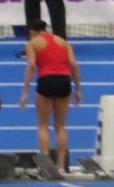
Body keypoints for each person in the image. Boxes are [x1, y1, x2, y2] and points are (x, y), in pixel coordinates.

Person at [18, 21, 82, 173]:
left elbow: (32, 65)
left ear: (33, 32)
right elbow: (73, 64)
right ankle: (60, 166)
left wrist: (25, 92)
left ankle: (46, 165)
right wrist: (77, 89)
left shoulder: (33, 43)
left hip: (46, 80)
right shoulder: (63, 42)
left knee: (42, 126)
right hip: (64, 81)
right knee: (60, 127)